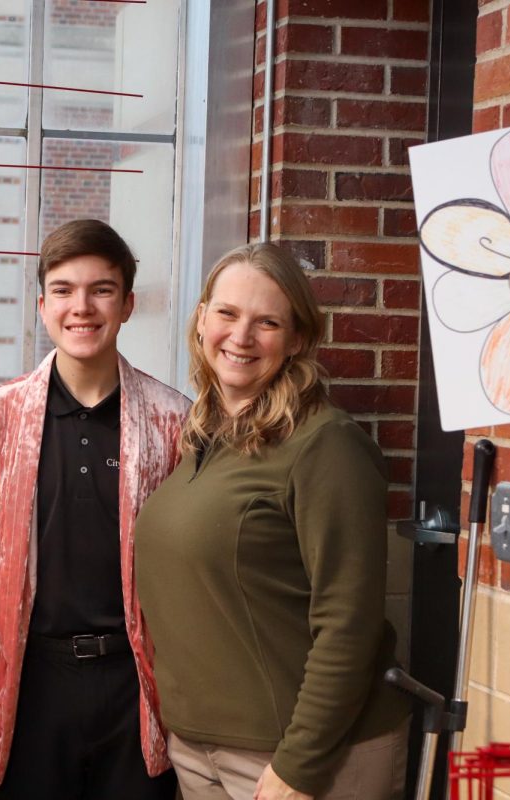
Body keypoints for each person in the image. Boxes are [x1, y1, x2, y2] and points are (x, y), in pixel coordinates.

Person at [134, 242, 411, 800]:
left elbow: (349, 624)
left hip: (299, 758)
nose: (240, 337)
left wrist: (299, 766)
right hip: (200, 748)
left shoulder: (325, 445)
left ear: (298, 339)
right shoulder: (204, 436)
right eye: (227, 314)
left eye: (267, 322)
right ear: (202, 319)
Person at [0, 219, 187, 799]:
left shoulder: (175, 423)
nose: (81, 307)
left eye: (102, 289)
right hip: (33, 682)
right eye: (63, 290)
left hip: (135, 684)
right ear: (42, 305)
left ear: (128, 303)